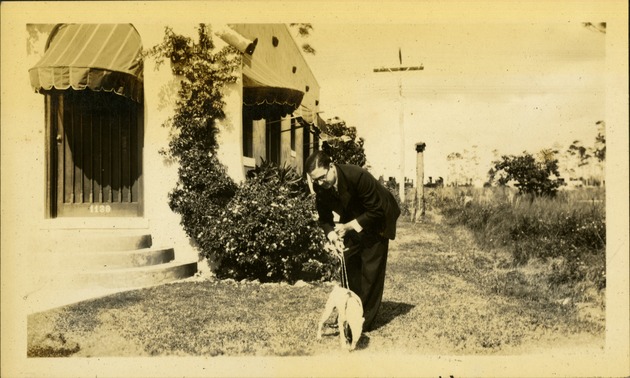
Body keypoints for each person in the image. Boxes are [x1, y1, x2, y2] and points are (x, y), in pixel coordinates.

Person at [305, 151, 401, 331]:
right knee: (349, 263)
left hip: (379, 216)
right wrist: (333, 236)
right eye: (315, 180)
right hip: (355, 216)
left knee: (370, 270)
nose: (319, 184)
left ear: (331, 166)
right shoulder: (320, 186)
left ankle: (362, 321)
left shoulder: (357, 175)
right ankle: (351, 311)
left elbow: (376, 210)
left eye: (322, 177)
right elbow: (324, 218)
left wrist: (348, 226)